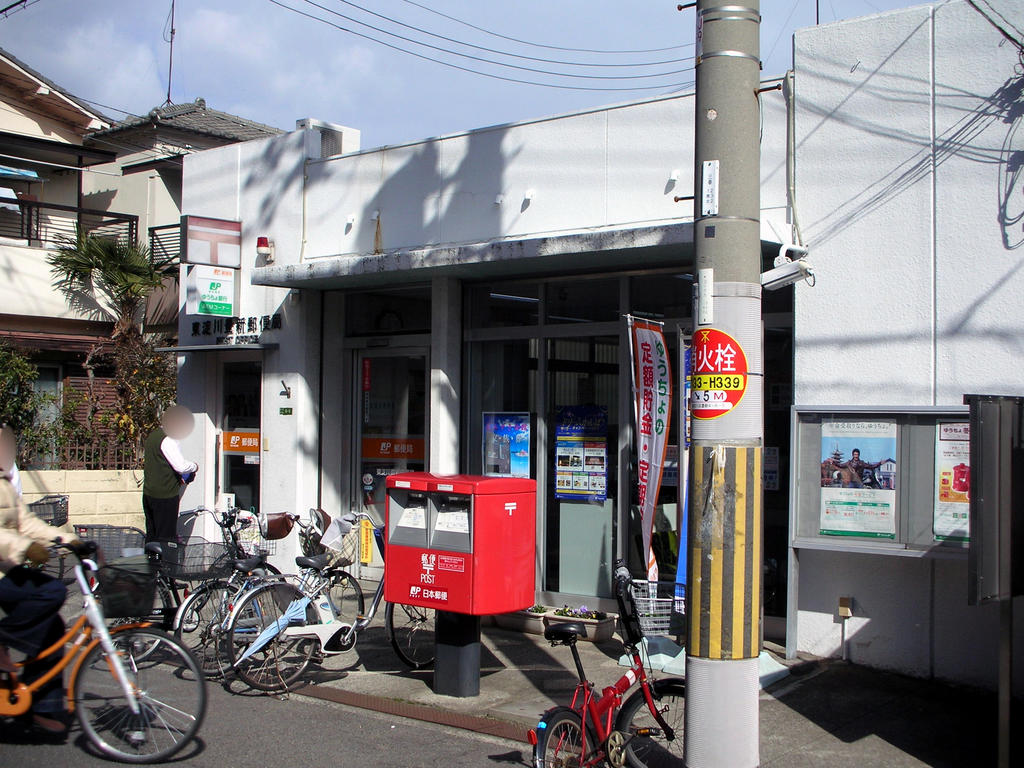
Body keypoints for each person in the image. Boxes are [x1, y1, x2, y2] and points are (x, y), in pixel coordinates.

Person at [0, 426, 77, 735]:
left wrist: (70, 540)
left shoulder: (5, 480)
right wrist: (23, 547)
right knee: (52, 591)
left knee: (54, 628)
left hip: (7, 567)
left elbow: (26, 522)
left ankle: (39, 706)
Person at [142, 405, 198, 543]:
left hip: (149, 493)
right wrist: (194, 466)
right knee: (165, 537)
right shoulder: (168, 439)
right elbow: (180, 466)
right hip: (165, 496)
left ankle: (151, 562)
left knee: (152, 535)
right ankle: (164, 564)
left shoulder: (153, 435)